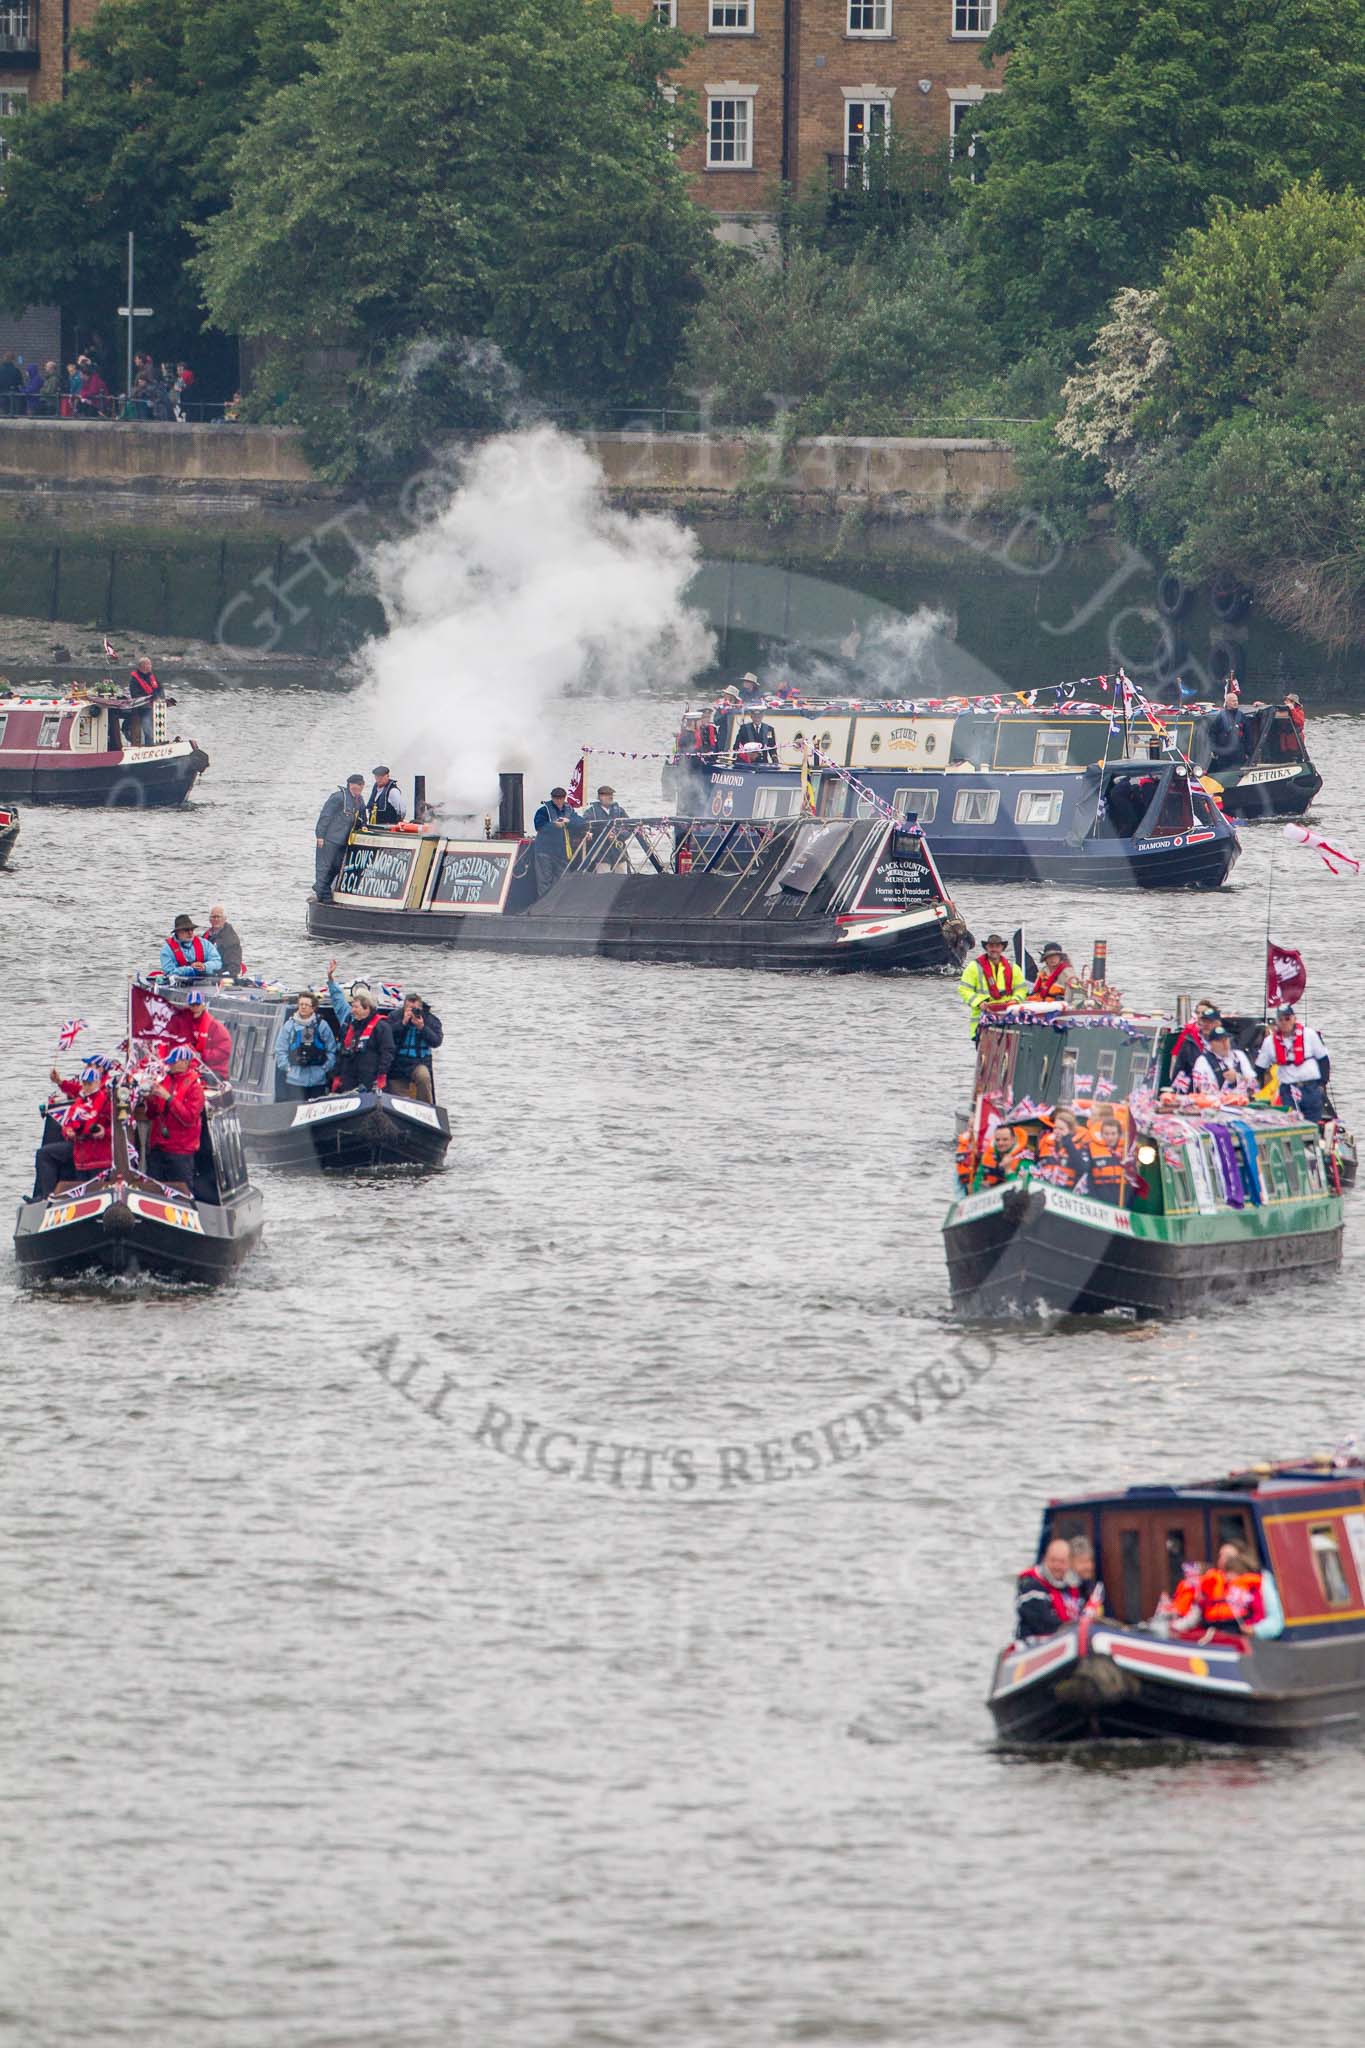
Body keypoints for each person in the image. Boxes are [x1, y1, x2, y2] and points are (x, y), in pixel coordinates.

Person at [35, 1062, 115, 1197]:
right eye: (84, 1083)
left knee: (94, 1190)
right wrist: (68, 1132)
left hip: (99, 1156)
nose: (86, 1087)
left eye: (89, 1083)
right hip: (81, 1154)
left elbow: (119, 1127)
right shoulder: (80, 1101)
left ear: (97, 1082)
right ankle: (46, 1196)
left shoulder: (106, 1101)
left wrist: (103, 1132)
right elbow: (67, 1123)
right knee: (44, 1154)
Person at [1256, 1002, 1330, 1123]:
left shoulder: (1309, 1034)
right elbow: (1259, 1068)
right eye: (1281, 1019)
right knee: (1292, 1122)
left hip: (1310, 1087)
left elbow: (1323, 1060)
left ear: (1294, 1018)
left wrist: (1322, 1084)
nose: (1285, 1022)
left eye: (1287, 1018)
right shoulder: (1269, 1042)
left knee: (1313, 1123)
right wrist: (1255, 1090)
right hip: (1288, 1089)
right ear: (1277, 1022)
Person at [144, 1046, 206, 1187]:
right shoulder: (165, 1080)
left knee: (180, 1193)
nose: (169, 1065)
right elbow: (151, 1115)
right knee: (154, 1190)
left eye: (173, 1062)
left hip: (180, 1152)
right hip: (158, 1149)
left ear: (185, 1063)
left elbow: (189, 1118)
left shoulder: (194, 1088)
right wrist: (150, 1099)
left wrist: (168, 1098)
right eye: (169, 1062)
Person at [326, 969, 395, 1094]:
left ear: (367, 1008)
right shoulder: (350, 1025)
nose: (352, 1010)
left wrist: (381, 1076)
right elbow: (342, 1052)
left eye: (355, 1007)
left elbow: (387, 1053)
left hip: (369, 1077)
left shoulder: (382, 1027)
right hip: (349, 1076)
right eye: (352, 1007)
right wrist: (336, 1075)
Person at [1015, 1536, 1082, 1640]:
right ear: (1045, 1559)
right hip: (1033, 1644)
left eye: (1062, 1562)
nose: (1057, 1566)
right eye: (1053, 1560)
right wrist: (1072, 1629)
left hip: (1068, 1638)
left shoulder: (1074, 1587)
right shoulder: (1031, 1585)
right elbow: (1040, 1622)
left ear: (1069, 1563)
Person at [273, 991, 337, 1100]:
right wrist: (288, 1068)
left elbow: (332, 1050)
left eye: (306, 1005)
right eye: (301, 1004)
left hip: (317, 1080)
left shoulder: (322, 1026)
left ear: (313, 1008)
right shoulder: (289, 1026)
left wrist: (324, 1068)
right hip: (295, 1080)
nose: (303, 1007)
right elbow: (280, 1050)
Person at [958, 934, 1026, 1033]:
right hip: (982, 1021)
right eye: (991, 946)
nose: (994, 949)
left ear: (1002, 948)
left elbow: (1021, 989)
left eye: (997, 946)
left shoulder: (1013, 968)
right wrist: (979, 1003)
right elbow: (964, 989)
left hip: (1008, 1020)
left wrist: (1015, 1000)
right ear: (986, 948)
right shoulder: (974, 967)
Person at [314, 774, 366, 899]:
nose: (358, 787)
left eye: (360, 785)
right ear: (349, 785)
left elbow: (363, 817)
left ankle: (322, 887)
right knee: (324, 867)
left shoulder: (360, 800)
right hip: (330, 839)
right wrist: (320, 836)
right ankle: (323, 894)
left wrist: (363, 826)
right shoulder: (338, 797)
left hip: (344, 841)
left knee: (337, 867)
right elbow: (326, 816)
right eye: (355, 784)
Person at [387, 991, 443, 1102]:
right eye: (409, 1008)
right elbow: (386, 1035)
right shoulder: (395, 1016)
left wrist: (422, 1027)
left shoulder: (431, 1020)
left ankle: (426, 1106)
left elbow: (436, 1041)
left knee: (424, 1077)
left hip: (419, 1062)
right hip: (398, 1063)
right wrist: (402, 1023)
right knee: (395, 1091)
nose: (412, 1012)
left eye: (415, 1009)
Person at [533, 786, 580, 891]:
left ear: (564, 798)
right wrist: (554, 825)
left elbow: (580, 822)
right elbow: (539, 825)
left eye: (560, 798)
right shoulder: (543, 811)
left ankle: (557, 905)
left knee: (563, 880)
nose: (558, 800)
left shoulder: (569, 810)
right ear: (552, 798)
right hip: (545, 851)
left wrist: (569, 821)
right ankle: (543, 905)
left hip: (561, 852)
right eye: (555, 798)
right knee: (545, 881)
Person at [1191, 1022, 1256, 1098]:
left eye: (1226, 1040)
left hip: (1242, 1103)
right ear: (1211, 1044)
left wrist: (1237, 1078)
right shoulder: (1202, 1061)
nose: (1224, 1044)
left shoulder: (1239, 1055)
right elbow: (1203, 1090)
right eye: (1220, 1041)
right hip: (1215, 1106)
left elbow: (1255, 1085)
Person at [182, 989, 233, 1080]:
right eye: (192, 1005)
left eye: (198, 1004)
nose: (195, 1008)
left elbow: (224, 1051)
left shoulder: (215, 1027)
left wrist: (203, 1056)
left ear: (203, 1006)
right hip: (190, 1068)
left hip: (214, 1071)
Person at [1170, 1000, 1221, 1087]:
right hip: (1193, 1074)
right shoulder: (1188, 1032)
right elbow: (1176, 1055)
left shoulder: (1220, 1033)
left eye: (1204, 1013)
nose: (1200, 1015)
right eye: (1198, 1013)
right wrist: (1172, 1080)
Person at [159, 914, 223, 982]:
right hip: (179, 985)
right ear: (178, 932)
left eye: (192, 929)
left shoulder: (205, 944)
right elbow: (169, 972)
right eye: (186, 930)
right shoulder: (167, 950)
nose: (190, 932)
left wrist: (204, 966)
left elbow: (218, 962)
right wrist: (191, 969)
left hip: (204, 984)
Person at [1039, 1107, 1091, 1191]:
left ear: (1070, 1130)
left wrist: (1069, 1146)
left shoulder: (1079, 1146)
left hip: (1067, 1192)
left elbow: (1083, 1169)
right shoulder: (1046, 1143)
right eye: (1055, 1128)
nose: (1057, 1131)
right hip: (1045, 1188)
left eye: (1061, 1129)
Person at [121, 655, 163, 746]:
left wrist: (159, 697)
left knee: (157, 723)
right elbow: (135, 694)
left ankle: (157, 742)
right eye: (149, 664)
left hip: (154, 706)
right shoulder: (134, 680)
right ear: (143, 666)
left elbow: (159, 689)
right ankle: (149, 744)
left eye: (150, 664)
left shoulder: (152, 676)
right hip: (141, 707)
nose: (151, 666)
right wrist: (150, 698)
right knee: (146, 724)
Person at [1088, 1114, 1128, 1204]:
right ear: (1101, 1134)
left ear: (1119, 1134)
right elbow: (1088, 1177)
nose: (1110, 1137)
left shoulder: (1127, 1151)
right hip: (1100, 1193)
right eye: (1106, 1134)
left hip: (1122, 1194)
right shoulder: (1092, 1149)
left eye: (1113, 1134)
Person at [206, 905, 243, 979]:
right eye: (213, 917)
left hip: (222, 974)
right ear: (210, 920)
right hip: (208, 970)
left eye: (218, 917)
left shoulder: (231, 939)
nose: (216, 919)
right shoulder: (207, 935)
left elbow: (234, 966)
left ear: (224, 919)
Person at [0, 353, 22, 417]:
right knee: (13, 414)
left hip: (2, 394)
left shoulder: (0, 370)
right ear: (13, 360)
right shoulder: (16, 371)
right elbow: (20, 383)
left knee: (4, 413)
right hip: (14, 394)